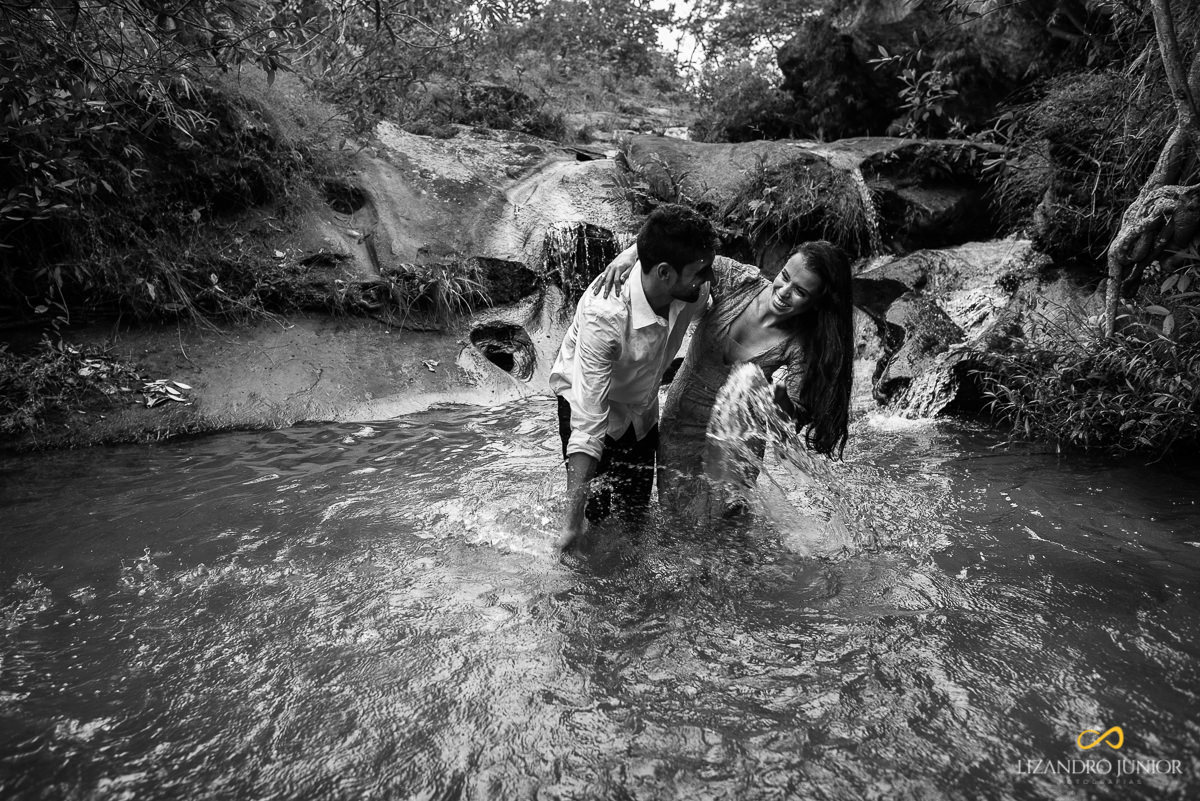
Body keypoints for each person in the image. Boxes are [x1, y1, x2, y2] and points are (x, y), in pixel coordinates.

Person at [596, 240, 854, 515]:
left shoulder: (801, 344)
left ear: (817, 302)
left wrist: (776, 401)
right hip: (680, 425)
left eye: (800, 291)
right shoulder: (740, 281)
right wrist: (630, 254)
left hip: (737, 441)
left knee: (725, 529)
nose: (784, 292)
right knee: (678, 523)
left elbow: (792, 416)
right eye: (785, 277)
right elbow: (679, 248)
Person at [550, 204, 718, 553]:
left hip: (641, 410)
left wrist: (631, 254)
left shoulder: (689, 289)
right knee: (593, 519)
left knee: (635, 519)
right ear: (665, 273)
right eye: (701, 272)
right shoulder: (605, 316)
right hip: (586, 398)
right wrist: (570, 526)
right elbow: (588, 426)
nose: (709, 279)